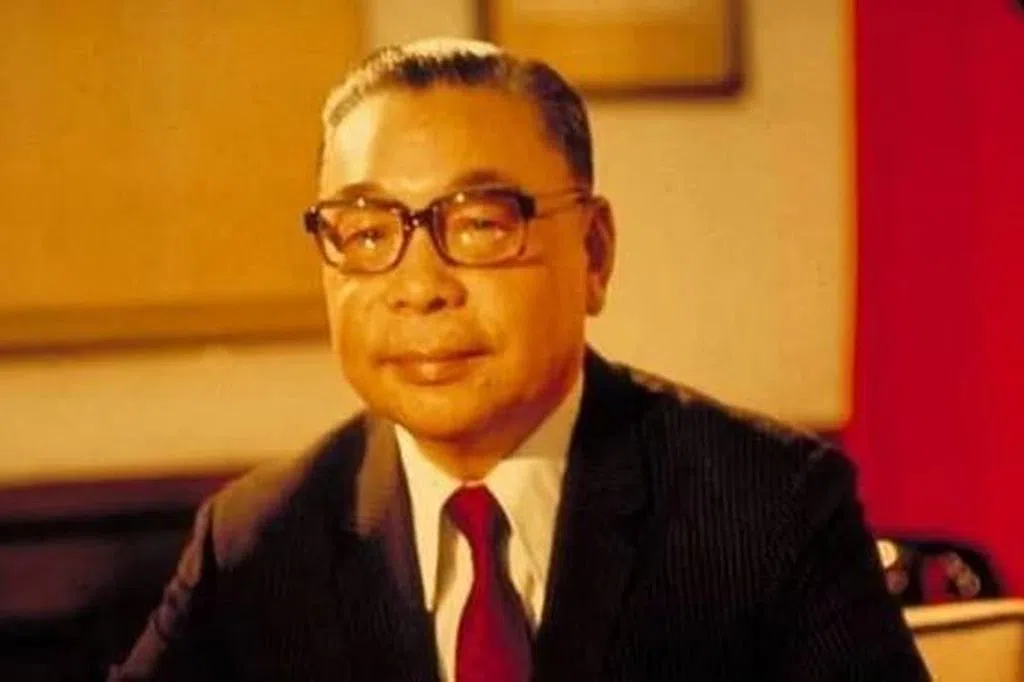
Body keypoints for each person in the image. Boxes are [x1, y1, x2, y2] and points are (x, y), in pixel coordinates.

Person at [109, 38, 930, 682]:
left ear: (594, 253)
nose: (420, 288)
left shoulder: (766, 508)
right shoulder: (255, 543)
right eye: (366, 232)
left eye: (479, 224)